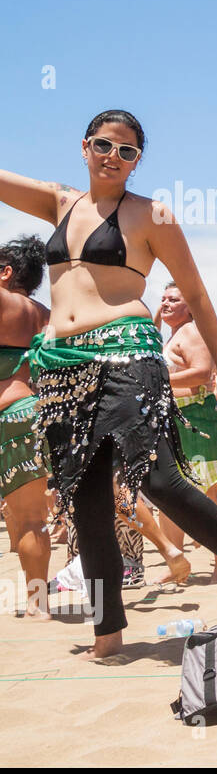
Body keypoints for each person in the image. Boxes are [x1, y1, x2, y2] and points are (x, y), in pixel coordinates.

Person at [0, 109, 217, 657]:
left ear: (137, 161)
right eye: (105, 146)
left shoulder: (151, 215)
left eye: (127, 151)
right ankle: (108, 632)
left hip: (127, 351)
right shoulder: (61, 203)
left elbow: (197, 295)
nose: (114, 157)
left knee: (157, 479)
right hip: (62, 367)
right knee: (86, 502)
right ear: (85, 147)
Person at [158, 281, 217, 578]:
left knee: (207, 496)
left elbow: (202, 372)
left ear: (190, 307)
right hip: (178, 420)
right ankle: (176, 561)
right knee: (168, 495)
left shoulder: (191, 332)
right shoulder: (175, 334)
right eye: (163, 298)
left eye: (173, 299)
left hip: (196, 420)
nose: (165, 303)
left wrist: (158, 379)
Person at [0, 236, 52, 618]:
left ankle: (38, 606)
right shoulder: (45, 313)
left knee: (26, 518)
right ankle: (39, 603)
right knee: (31, 517)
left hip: (7, 414)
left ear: (5, 273)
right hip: (33, 411)